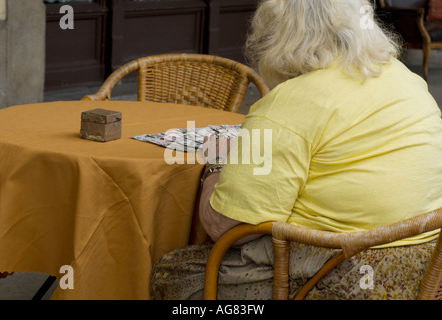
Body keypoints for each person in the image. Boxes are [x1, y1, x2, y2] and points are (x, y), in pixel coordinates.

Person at [150, 0, 442, 300]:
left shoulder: (288, 103)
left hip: (342, 277)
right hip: (425, 270)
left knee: (173, 273)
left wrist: (215, 164)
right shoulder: (408, 81)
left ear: (279, 37)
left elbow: (226, 227)